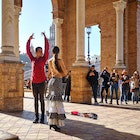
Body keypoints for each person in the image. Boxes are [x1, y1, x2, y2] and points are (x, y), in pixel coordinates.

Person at [26, 32, 49, 124]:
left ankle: (42, 118)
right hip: (34, 82)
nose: (42, 52)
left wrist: (45, 38)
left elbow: (47, 49)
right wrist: (29, 40)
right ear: (36, 52)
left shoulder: (43, 59)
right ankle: (36, 117)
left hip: (42, 82)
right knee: (35, 101)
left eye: (42, 51)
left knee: (42, 100)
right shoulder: (32, 59)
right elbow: (27, 51)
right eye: (40, 51)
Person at [46, 46, 67, 131]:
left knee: (52, 102)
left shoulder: (49, 61)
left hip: (51, 82)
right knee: (57, 102)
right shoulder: (59, 61)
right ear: (58, 52)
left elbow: (49, 73)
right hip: (57, 81)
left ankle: (51, 122)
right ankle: (55, 123)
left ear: (52, 52)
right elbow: (64, 72)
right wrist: (62, 74)